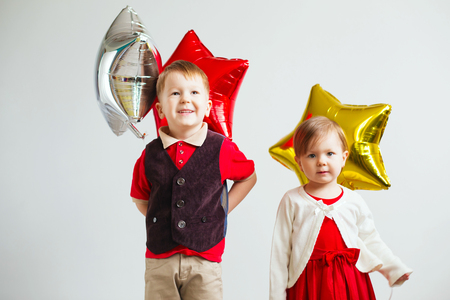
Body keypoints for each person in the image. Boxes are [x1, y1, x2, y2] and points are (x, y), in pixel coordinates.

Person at [130, 60, 257, 300]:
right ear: (159, 110)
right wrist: (166, 217)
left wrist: (223, 208)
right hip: (159, 260)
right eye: (175, 93)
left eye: (194, 92)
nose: (185, 99)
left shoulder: (221, 149)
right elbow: (141, 199)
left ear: (208, 107)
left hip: (205, 259)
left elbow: (249, 177)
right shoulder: (150, 154)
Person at [269, 116, 412, 300]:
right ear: (299, 162)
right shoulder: (292, 200)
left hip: (350, 281)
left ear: (343, 157)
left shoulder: (354, 200)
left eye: (329, 153)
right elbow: (280, 254)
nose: (321, 161)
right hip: (309, 283)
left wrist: (394, 269)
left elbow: (371, 239)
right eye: (312, 155)